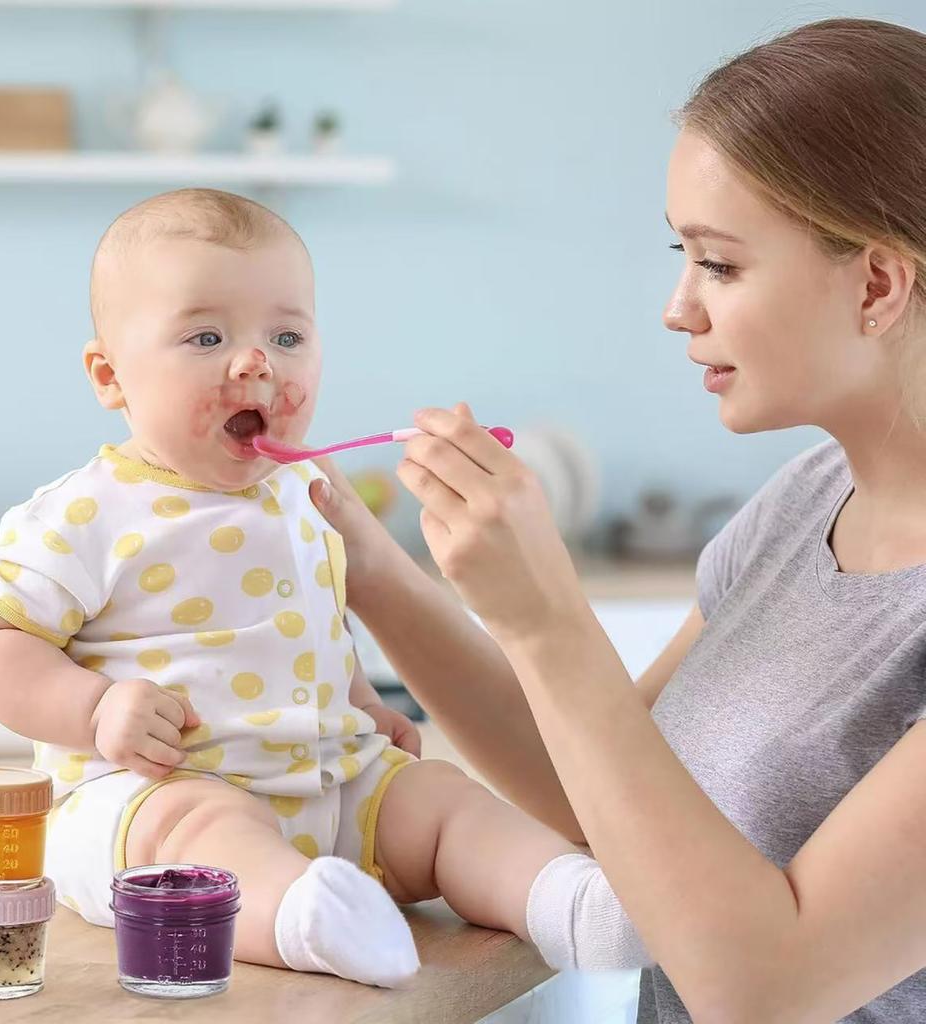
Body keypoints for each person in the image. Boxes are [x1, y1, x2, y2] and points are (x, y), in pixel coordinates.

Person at [307, 17, 926, 1022]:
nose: (678, 307)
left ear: (876, 283)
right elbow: (599, 801)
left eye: (719, 264)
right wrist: (368, 565)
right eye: (680, 256)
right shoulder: (803, 504)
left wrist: (546, 619)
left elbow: (766, 984)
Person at [0, 187, 646, 990]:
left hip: (332, 777)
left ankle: (568, 901)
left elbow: (309, 622)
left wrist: (361, 702)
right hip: (160, 790)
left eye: (287, 335)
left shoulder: (304, 491)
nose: (257, 362)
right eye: (206, 336)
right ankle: (304, 919)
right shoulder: (86, 512)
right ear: (110, 375)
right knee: (199, 831)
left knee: (440, 800)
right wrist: (94, 709)